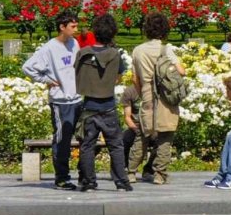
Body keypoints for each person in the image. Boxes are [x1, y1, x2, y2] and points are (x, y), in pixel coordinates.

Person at [21, 9, 82, 191]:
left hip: (77, 99)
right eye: (72, 26)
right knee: (62, 139)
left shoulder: (75, 43)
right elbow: (28, 67)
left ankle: (84, 174)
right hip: (60, 101)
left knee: (83, 137)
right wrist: (46, 80)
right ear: (62, 27)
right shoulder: (49, 48)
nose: (76, 29)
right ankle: (61, 178)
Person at [74, 13, 130, 192]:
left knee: (87, 146)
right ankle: (121, 181)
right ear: (112, 33)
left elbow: (76, 73)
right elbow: (119, 76)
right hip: (108, 105)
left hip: (88, 105)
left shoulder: (83, 53)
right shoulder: (114, 54)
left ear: (95, 32)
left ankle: (88, 181)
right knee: (116, 145)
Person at [129, 11, 184, 185]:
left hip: (146, 95)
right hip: (166, 98)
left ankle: (131, 172)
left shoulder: (138, 50)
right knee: (165, 137)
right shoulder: (166, 49)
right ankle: (160, 175)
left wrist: (142, 91)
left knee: (142, 137)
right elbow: (181, 71)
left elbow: (134, 78)